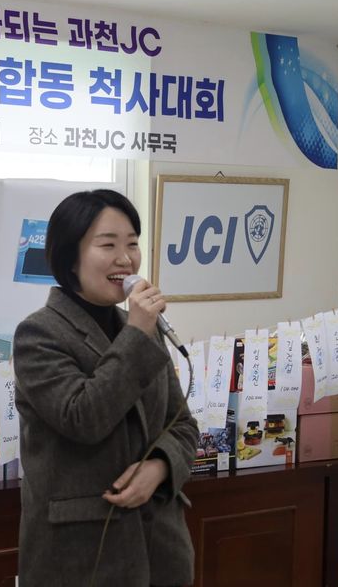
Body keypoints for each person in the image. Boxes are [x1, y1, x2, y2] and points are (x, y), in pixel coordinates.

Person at [12, 189, 200, 586]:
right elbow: (83, 418)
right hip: (81, 557)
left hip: (160, 549)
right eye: (108, 245)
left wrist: (159, 468)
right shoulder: (38, 334)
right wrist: (137, 333)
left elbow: (182, 425)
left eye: (132, 244)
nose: (125, 259)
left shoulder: (140, 330)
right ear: (70, 257)